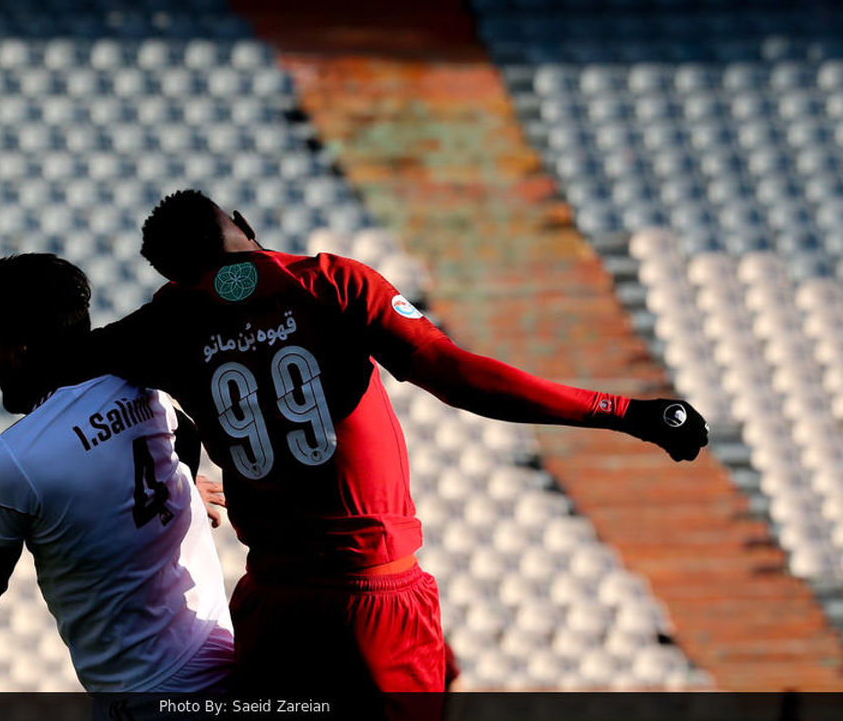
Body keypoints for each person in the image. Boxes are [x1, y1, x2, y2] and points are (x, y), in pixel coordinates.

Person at [72, 190, 708, 707]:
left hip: (274, 611)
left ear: (171, 274)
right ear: (243, 223)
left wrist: (178, 460)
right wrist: (625, 411)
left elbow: (54, 369)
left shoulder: (159, 327)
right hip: (371, 600)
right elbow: (456, 376)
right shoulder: (329, 283)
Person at [0, 253, 234, 698]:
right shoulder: (143, 389)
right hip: (219, 649)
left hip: (146, 692)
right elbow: (182, 435)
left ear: (21, 348)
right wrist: (178, 484)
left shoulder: (15, 459)